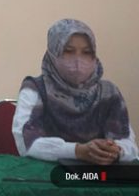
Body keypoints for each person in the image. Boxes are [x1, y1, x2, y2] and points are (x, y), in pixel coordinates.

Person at [12, 19, 138, 164]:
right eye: (68, 51)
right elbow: (27, 144)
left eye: (86, 52)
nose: (78, 60)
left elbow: (129, 146)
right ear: (53, 53)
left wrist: (115, 151)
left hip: (99, 174)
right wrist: (78, 151)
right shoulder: (35, 88)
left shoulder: (108, 93)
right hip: (49, 173)